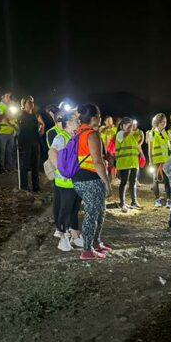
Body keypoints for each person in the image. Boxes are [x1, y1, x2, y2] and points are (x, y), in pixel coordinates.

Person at [72, 104, 112, 259]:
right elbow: (97, 161)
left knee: (99, 211)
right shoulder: (92, 134)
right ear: (94, 118)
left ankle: (95, 243)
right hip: (91, 179)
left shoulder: (78, 132)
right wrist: (107, 183)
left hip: (79, 178)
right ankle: (87, 250)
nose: (100, 119)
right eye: (100, 117)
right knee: (92, 214)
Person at [48, 111, 84, 251]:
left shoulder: (75, 136)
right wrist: (62, 170)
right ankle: (63, 237)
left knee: (75, 208)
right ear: (68, 123)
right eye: (76, 120)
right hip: (65, 181)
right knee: (65, 208)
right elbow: (52, 152)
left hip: (76, 179)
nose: (78, 123)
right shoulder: (61, 137)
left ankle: (74, 234)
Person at [16, 95, 45, 191]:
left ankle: (36, 186)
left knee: (35, 165)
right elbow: (14, 124)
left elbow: (42, 124)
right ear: (24, 104)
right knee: (24, 165)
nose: (31, 103)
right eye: (29, 101)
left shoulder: (36, 114)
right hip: (24, 142)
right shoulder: (20, 114)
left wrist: (41, 129)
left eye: (32, 101)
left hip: (35, 142)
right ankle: (24, 186)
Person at [115, 117, 142, 211]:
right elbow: (125, 134)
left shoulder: (132, 135)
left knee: (133, 182)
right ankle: (122, 203)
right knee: (124, 182)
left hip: (134, 163)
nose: (128, 126)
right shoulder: (120, 133)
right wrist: (130, 128)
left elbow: (138, 144)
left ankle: (134, 201)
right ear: (121, 126)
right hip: (124, 163)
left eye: (129, 124)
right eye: (126, 124)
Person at [148, 113, 171, 207]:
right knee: (155, 180)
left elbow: (169, 148)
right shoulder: (152, 133)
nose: (163, 123)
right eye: (161, 122)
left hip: (166, 161)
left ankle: (169, 200)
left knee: (167, 181)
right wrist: (150, 161)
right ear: (157, 122)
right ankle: (157, 200)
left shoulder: (166, 133)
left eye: (165, 122)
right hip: (156, 161)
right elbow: (150, 149)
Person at [0, 92, 18, 172]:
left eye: (9, 96)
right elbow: (2, 119)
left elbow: (14, 118)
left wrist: (15, 127)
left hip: (11, 132)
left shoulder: (10, 106)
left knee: (10, 150)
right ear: (2, 97)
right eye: (7, 96)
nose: (9, 98)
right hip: (2, 131)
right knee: (2, 150)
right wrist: (13, 126)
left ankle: (9, 167)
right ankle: (1, 168)